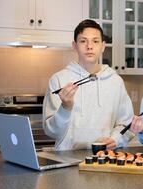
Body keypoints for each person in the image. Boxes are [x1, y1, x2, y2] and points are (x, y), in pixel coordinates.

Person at [43, 19, 134, 150]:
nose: (89, 46)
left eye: (95, 41)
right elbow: (51, 132)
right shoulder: (58, 80)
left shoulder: (116, 81)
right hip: (66, 159)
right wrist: (66, 107)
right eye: (83, 41)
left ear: (103, 46)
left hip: (103, 158)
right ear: (74, 46)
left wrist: (116, 139)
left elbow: (126, 123)